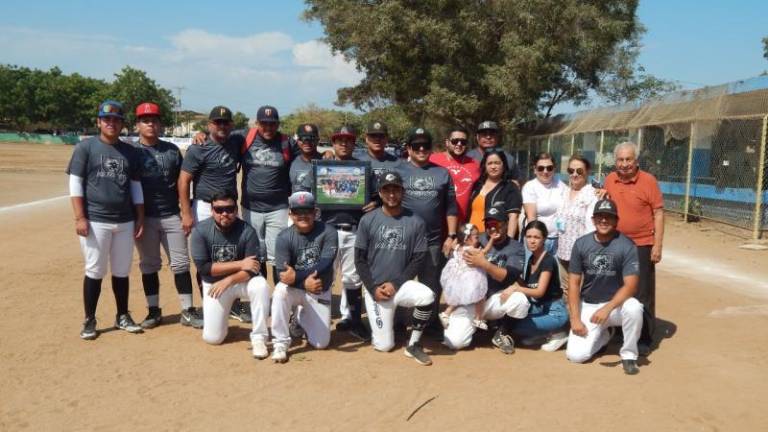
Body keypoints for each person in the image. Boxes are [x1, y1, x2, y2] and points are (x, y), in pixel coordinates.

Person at [67, 100, 145, 340]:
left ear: (122, 124)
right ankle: (89, 319)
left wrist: (140, 217)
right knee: (95, 270)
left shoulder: (129, 151)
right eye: (107, 119)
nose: (111, 123)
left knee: (121, 271)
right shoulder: (86, 148)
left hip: (124, 220)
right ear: (99, 122)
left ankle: (122, 315)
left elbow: (135, 187)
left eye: (116, 120)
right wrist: (80, 217)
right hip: (96, 220)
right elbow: (75, 183)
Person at [300, 125, 377, 342]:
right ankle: (313, 319)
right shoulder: (322, 166)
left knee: (353, 278)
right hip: (326, 230)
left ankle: (352, 319)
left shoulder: (363, 169)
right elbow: (304, 194)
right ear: (333, 143)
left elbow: (376, 196)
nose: (343, 144)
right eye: (339, 140)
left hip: (353, 230)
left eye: (348, 140)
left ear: (354, 143)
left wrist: (374, 203)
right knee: (322, 275)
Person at [131, 102, 202, 329]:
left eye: (154, 120)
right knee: (149, 265)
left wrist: (186, 212)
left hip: (172, 215)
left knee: (181, 264)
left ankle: (188, 310)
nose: (150, 124)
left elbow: (183, 183)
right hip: (145, 218)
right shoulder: (132, 152)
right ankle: (153, 311)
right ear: (137, 125)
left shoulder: (171, 150)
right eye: (145, 120)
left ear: (160, 124)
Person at [178, 106, 252, 323]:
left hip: (229, 207)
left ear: (231, 125)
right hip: (204, 206)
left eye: (225, 122)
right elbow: (183, 181)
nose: (221, 126)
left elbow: (258, 129)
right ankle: (208, 302)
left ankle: (233, 305)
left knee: (231, 252)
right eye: (217, 122)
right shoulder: (198, 148)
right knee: (206, 255)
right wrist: (186, 213)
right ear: (209, 125)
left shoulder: (236, 141)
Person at [354, 171, 436, 365]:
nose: (392, 195)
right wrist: (373, 288)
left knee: (428, 296)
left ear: (403, 192)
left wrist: (397, 284)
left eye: (396, 190)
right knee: (384, 346)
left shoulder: (415, 222)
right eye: (387, 190)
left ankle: (413, 344)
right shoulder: (368, 220)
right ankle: (384, 323)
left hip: (400, 285)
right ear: (380, 193)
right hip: (377, 289)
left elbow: (417, 259)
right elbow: (359, 259)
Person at [189, 191, 272, 359]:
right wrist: (240, 264)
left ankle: (259, 338)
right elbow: (204, 268)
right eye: (219, 209)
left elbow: (253, 269)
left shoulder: (247, 231)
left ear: (236, 210)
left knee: (261, 285)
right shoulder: (200, 231)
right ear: (212, 210)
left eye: (229, 209)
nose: (224, 213)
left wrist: (229, 280)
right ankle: (222, 321)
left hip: (240, 282)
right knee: (213, 338)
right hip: (214, 286)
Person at [565, 198, 644, 375]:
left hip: (615, 307)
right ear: (593, 220)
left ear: (616, 221)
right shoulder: (581, 244)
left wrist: (607, 308)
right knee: (575, 356)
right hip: (590, 306)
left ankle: (629, 355)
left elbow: (631, 286)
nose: (603, 221)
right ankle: (604, 336)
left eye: (608, 217)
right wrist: (575, 319)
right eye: (599, 217)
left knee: (634, 308)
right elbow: (574, 283)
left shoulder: (627, 245)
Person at [604, 141, 664, 355]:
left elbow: (658, 212)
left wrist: (657, 244)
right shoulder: (610, 179)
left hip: (641, 244)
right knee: (618, 288)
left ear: (636, 160)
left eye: (629, 159)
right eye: (620, 159)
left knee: (642, 292)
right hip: (616, 243)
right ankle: (621, 331)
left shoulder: (648, 181)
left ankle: (644, 337)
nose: (624, 164)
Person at [442, 205, 528, 354]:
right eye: (488, 225)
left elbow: (509, 276)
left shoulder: (516, 247)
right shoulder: (475, 239)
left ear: (506, 224)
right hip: (469, 300)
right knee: (454, 342)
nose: (492, 228)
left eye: (496, 224)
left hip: (494, 298)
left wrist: (484, 264)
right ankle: (474, 325)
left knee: (520, 301)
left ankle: (502, 332)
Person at [397, 127, 458, 331]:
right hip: (403, 239)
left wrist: (451, 235)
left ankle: (428, 324)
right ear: (408, 148)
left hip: (432, 240)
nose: (421, 149)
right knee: (400, 280)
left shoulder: (442, 173)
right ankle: (398, 321)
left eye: (426, 145)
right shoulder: (398, 171)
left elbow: (451, 207)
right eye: (416, 145)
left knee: (431, 282)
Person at [270, 191, 338, 363]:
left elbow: (326, 263)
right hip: (297, 287)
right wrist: (302, 283)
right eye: (298, 212)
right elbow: (283, 275)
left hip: (318, 287)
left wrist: (298, 276)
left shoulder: (328, 231)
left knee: (321, 343)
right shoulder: (284, 237)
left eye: (307, 211)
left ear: (315, 212)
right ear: (290, 214)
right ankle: (280, 342)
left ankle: (300, 318)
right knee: (279, 292)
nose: (303, 216)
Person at [239, 105, 294, 265]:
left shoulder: (286, 142)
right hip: (250, 207)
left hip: (278, 209)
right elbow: (222, 138)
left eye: (272, 123)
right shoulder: (244, 138)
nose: (268, 127)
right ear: (257, 123)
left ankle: (279, 290)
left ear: (278, 124)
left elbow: (307, 154)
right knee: (254, 253)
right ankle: (260, 289)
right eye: (264, 123)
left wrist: (326, 153)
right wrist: (202, 135)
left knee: (278, 256)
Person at [507, 221, 569, 351]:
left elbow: (539, 291)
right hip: (539, 307)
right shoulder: (531, 259)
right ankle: (542, 334)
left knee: (517, 326)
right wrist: (513, 275)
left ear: (545, 238)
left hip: (554, 312)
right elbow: (529, 287)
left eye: (536, 237)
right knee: (510, 318)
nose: (532, 241)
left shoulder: (548, 260)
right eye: (529, 237)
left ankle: (557, 334)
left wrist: (516, 288)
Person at [554, 154, 597, 297]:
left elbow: (592, 228)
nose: (574, 174)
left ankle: (580, 318)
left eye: (579, 171)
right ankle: (570, 318)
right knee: (565, 290)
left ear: (587, 171)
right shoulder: (564, 192)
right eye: (571, 171)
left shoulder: (592, 194)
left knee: (580, 290)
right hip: (563, 252)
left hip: (581, 254)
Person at [439, 223, 489, 330]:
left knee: (458, 298)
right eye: (476, 237)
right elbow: (485, 251)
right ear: (467, 239)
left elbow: (453, 246)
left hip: (458, 277)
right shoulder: (470, 249)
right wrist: (492, 241)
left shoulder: (457, 247)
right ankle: (478, 319)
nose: (479, 239)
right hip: (470, 278)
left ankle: (446, 313)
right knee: (481, 298)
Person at [429, 126, 481, 224]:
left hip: (461, 224)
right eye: (455, 141)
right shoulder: (432, 160)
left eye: (463, 141)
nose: (459, 144)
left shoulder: (475, 165)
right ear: (447, 142)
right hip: (435, 223)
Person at [467, 149, 522, 238]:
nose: (493, 166)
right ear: (484, 166)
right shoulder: (477, 185)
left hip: (496, 241)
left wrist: (509, 243)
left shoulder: (510, 187)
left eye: (497, 163)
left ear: (503, 165)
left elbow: (513, 217)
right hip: (473, 240)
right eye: (490, 163)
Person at [522, 152, 567, 255]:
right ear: (535, 169)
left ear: (554, 169)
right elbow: (531, 217)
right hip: (539, 240)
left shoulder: (561, 185)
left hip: (558, 239)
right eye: (541, 168)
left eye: (549, 168)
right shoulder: (530, 187)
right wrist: (536, 241)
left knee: (556, 271)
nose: (545, 171)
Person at [289, 123, 322, 193]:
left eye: (311, 138)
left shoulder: (325, 161)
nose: (307, 142)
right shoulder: (290, 161)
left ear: (317, 140)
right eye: (303, 138)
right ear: (297, 141)